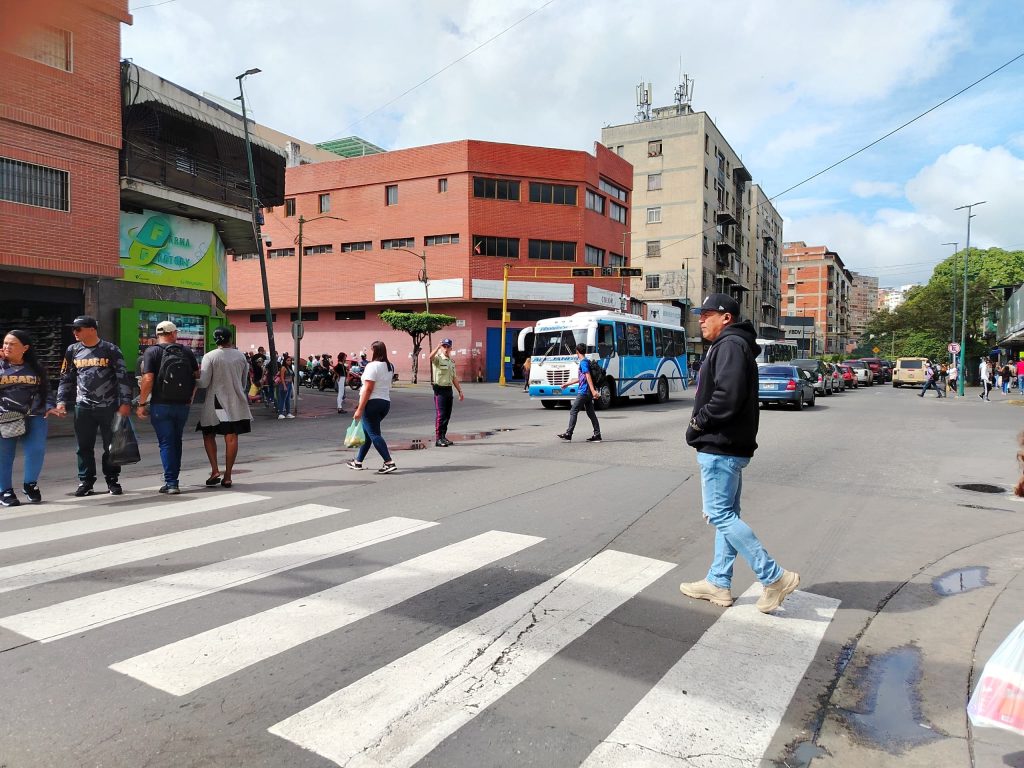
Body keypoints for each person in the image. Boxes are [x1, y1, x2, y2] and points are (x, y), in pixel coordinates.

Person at [678, 293, 800, 614]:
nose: (701, 319)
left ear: (726, 317)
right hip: (729, 445)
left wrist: (697, 422)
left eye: (707, 314)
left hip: (721, 444)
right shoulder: (733, 345)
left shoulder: (730, 346)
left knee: (720, 515)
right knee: (726, 515)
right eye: (700, 314)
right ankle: (718, 581)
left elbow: (727, 397)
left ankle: (773, 577)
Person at [53, 316, 133, 497]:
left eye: (78, 329)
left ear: (92, 329)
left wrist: (126, 403)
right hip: (83, 406)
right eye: (73, 329)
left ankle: (112, 480)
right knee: (83, 447)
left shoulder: (110, 349)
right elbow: (66, 377)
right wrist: (61, 401)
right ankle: (86, 482)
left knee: (111, 446)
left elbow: (123, 377)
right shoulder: (72, 350)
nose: (75, 333)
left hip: (109, 406)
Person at [135, 321, 200, 494]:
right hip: (182, 405)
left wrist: (141, 404)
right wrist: (190, 397)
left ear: (158, 334)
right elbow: (196, 376)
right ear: (172, 334)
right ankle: (173, 479)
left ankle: (171, 482)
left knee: (166, 443)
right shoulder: (186, 351)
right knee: (176, 441)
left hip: (161, 404)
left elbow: (148, 378)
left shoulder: (152, 351)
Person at [0, 331, 54, 506]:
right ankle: (5, 491)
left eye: (12, 344)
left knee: (36, 450)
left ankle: (30, 484)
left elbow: (47, 391)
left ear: (25, 348)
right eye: (6, 343)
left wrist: (49, 406)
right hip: (5, 417)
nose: (7, 347)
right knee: (5, 455)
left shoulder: (36, 367)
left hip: (35, 415)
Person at [195, 328, 252, 489]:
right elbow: (243, 382)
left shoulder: (210, 356)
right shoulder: (241, 356)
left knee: (208, 434)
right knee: (231, 437)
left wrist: (193, 379)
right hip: (236, 402)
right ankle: (228, 476)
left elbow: (204, 383)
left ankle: (214, 470)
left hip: (216, 403)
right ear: (230, 338)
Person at [346, 340, 397, 474]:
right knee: (368, 433)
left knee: (374, 434)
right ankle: (358, 462)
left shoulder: (372, 366)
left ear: (375, 351)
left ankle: (388, 462)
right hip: (385, 403)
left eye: (370, 350)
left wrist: (360, 409)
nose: (368, 353)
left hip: (372, 403)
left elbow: (368, 389)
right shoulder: (389, 366)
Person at [557, 342, 601, 442]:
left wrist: (593, 390)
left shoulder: (583, 362)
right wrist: (567, 384)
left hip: (584, 392)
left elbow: (588, 375)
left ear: (577, 351)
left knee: (573, 410)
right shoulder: (585, 361)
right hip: (587, 391)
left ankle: (569, 433)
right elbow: (582, 378)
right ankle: (597, 434)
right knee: (591, 413)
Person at [430, 338, 464, 447]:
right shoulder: (438, 359)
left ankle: (443, 436)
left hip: (448, 389)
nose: (445, 348)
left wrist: (460, 391)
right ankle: (438, 439)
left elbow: (454, 378)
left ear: (450, 348)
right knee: (441, 415)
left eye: (447, 346)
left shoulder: (451, 362)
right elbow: (430, 357)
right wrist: (437, 347)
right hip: (439, 389)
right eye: (443, 346)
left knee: (447, 415)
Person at [275, 353, 295, 418]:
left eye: (290, 360)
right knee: (282, 399)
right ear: (285, 361)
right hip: (284, 384)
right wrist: (284, 386)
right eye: (287, 360)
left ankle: (288, 413)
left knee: (288, 399)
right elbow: (282, 377)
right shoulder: (283, 368)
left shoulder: (289, 367)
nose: (289, 361)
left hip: (289, 384)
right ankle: (280, 413)